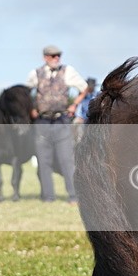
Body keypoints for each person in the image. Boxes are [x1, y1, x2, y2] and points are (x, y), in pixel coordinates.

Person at [25, 45, 89, 204]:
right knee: (43, 160)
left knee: (67, 160)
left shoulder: (68, 71)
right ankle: (48, 197)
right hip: (42, 121)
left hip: (62, 121)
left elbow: (84, 88)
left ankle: (74, 196)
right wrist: (31, 109)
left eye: (58, 55)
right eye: (53, 56)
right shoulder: (35, 73)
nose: (56, 58)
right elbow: (25, 93)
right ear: (45, 57)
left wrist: (74, 105)